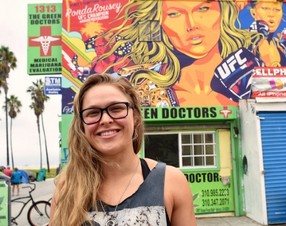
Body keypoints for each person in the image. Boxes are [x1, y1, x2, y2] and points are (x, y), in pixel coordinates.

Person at [50, 74, 196, 226]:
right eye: (93, 112)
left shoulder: (170, 181)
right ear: (82, 126)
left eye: (116, 108)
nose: (106, 120)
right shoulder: (66, 189)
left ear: (136, 117)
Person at [97, 0, 263, 106]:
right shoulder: (141, 87)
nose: (191, 25)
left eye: (203, 9)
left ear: (223, 12)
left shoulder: (254, 70)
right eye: (174, 14)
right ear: (159, 24)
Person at [249, 0, 286, 66]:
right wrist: (251, 43)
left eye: (277, 10)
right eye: (265, 8)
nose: (271, 14)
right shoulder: (240, 40)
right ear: (253, 13)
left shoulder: (280, 46)